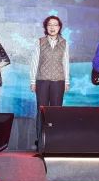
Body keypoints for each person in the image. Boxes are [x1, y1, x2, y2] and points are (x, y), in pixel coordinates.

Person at [30, 15, 70, 146]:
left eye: (55, 25)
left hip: (58, 80)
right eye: (50, 25)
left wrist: (67, 81)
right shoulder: (40, 41)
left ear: (59, 27)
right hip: (42, 80)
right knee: (41, 110)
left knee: (56, 110)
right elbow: (34, 62)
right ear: (46, 27)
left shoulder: (64, 43)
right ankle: (40, 141)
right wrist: (33, 81)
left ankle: (55, 141)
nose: (52, 27)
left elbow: (65, 62)